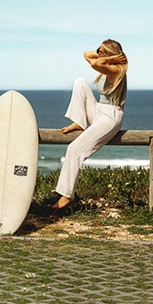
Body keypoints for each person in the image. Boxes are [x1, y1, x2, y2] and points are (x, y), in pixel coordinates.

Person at [52, 39, 128, 210]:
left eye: (101, 51)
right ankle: (79, 122)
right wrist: (111, 55)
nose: (98, 53)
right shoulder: (109, 62)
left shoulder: (115, 69)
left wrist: (111, 59)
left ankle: (67, 195)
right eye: (98, 50)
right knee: (80, 81)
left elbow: (95, 64)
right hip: (99, 110)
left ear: (109, 54)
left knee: (74, 149)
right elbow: (86, 54)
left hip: (110, 116)